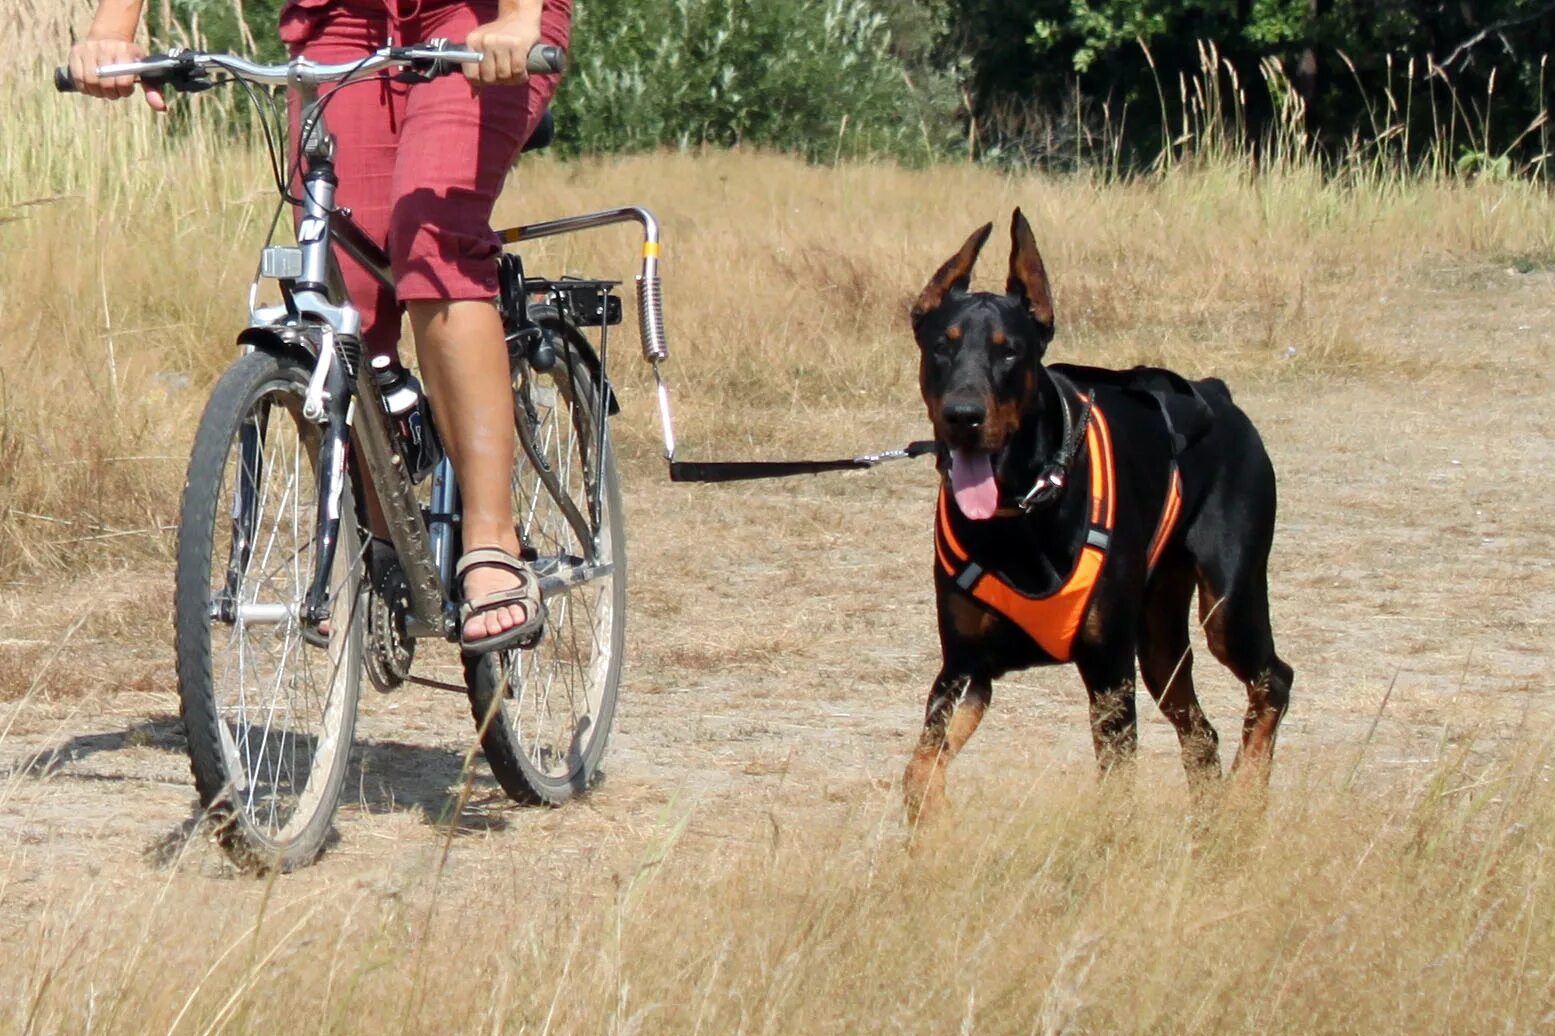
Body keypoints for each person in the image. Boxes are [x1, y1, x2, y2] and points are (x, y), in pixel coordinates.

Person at [68, 0, 572, 653]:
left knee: (432, 242)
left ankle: (491, 540)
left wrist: (518, 18)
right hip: (337, 15)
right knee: (338, 288)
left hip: (473, 13)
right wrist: (114, 30)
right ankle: (379, 545)